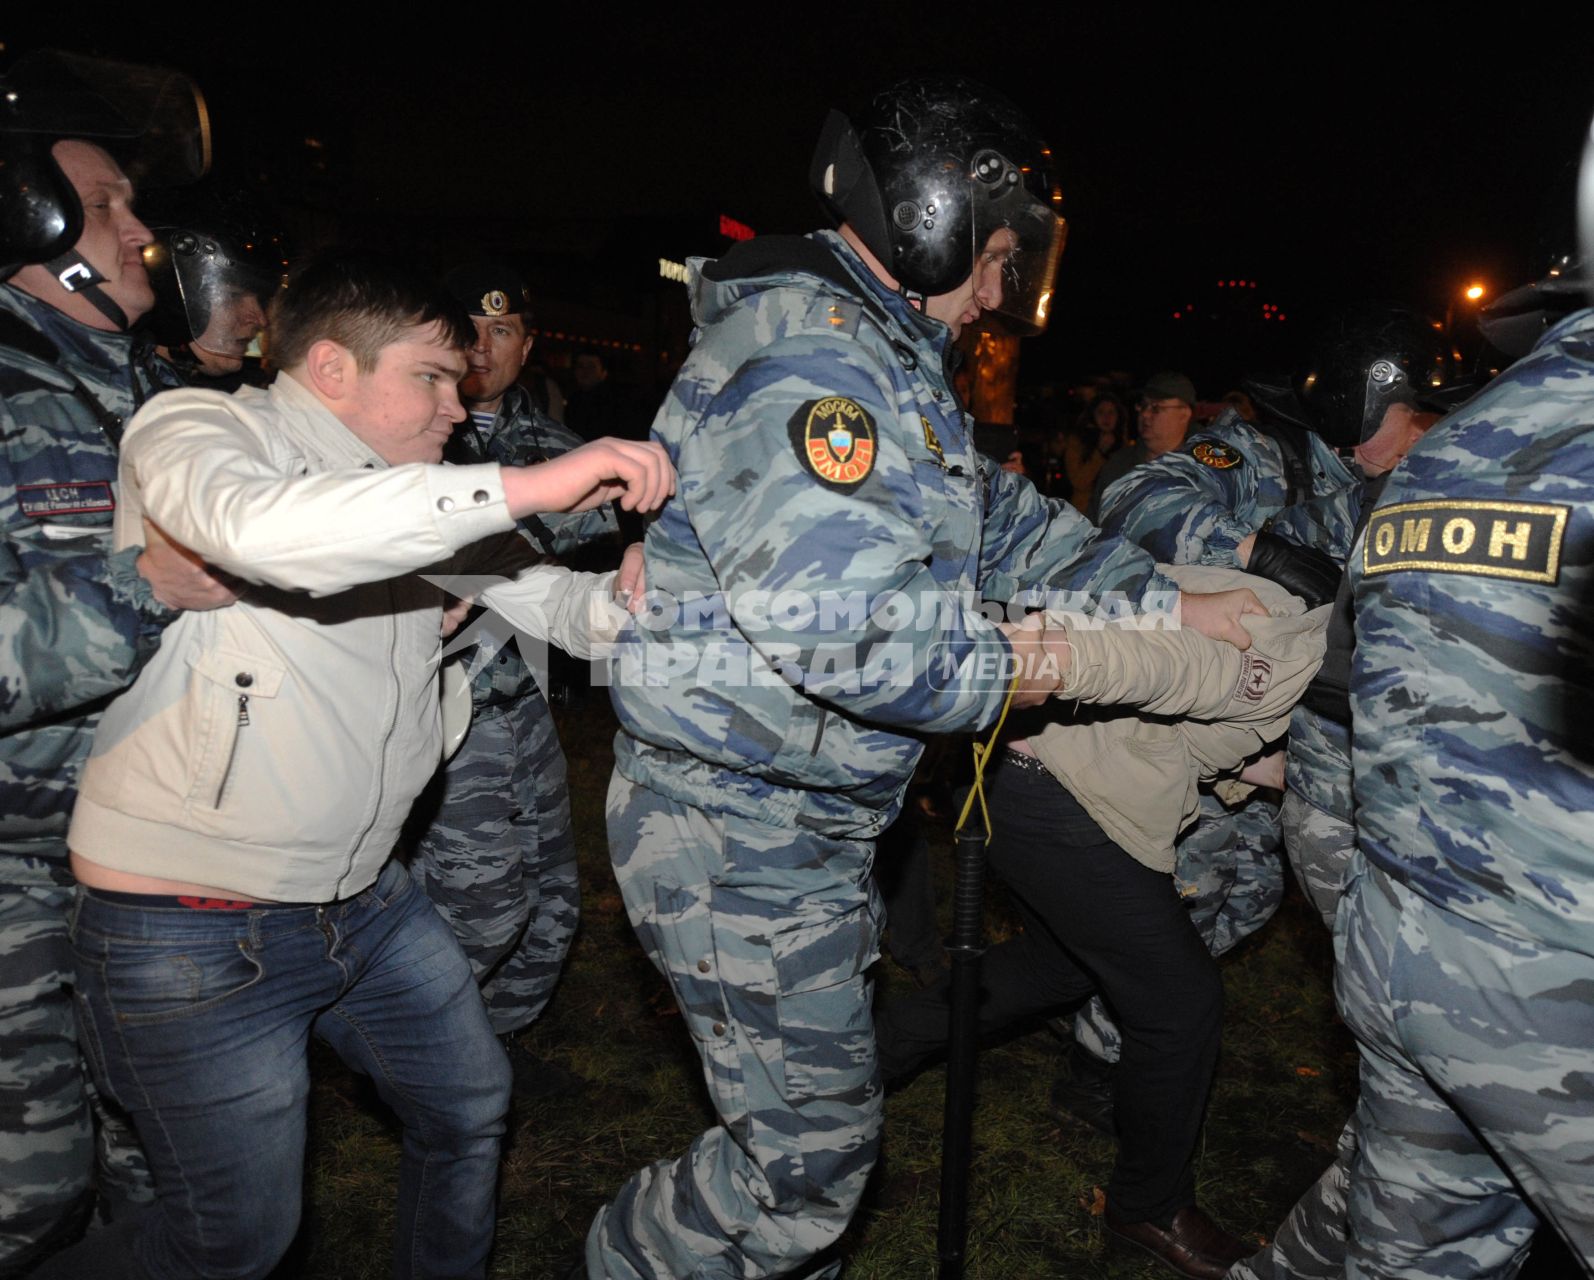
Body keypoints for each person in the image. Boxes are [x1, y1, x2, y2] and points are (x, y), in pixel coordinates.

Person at [586, 74, 1261, 1280]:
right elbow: (860, 636)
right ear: (935, 217)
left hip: (801, 820)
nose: (1000, 293)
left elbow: (1003, 521)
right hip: (734, 828)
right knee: (805, 1167)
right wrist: (1045, 661)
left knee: (807, 1149)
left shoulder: (884, 365)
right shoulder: (810, 366)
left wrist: (1163, 597)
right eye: (997, 257)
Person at [35, 253, 673, 1280]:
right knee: (230, 1237)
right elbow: (264, 531)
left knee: (467, 1109)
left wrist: (653, 588)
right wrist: (525, 483)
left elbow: (565, 610)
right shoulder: (203, 430)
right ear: (331, 368)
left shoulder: (409, 497)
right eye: (430, 375)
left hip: (362, 898)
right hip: (195, 922)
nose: (456, 408)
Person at [0, 52, 229, 1276]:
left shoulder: (157, 394)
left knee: (173, 1178)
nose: (145, 232)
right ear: (33, 226)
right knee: (28, 1193)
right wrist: (138, 589)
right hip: (16, 868)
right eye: (109, 209)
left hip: (148, 857)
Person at [408, 260, 620, 1096]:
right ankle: (432, 1063)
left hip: (522, 695)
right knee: (475, 904)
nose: (485, 348)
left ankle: (490, 1048)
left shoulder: (563, 450)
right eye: (471, 331)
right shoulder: (422, 438)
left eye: (503, 330)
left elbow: (595, 568)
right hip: (444, 702)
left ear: (528, 344)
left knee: (551, 894)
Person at [141, 187, 287, 385]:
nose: (260, 319)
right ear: (172, 303)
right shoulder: (122, 401)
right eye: (232, 297)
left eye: (260, 300)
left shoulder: (245, 399)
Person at [1086, 370, 1196, 520]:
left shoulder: (1208, 473)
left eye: (1156, 408)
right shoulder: (1118, 467)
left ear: (1184, 414)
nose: (1145, 414)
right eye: (1143, 405)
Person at [1060, 390, 1129, 511]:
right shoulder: (1077, 442)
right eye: (1101, 412)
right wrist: (1100, 452)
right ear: (1093, 415)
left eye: (1111, 412)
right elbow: (1079, 482)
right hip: (1085, 512)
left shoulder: (1123, 445)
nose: (1106, 417)